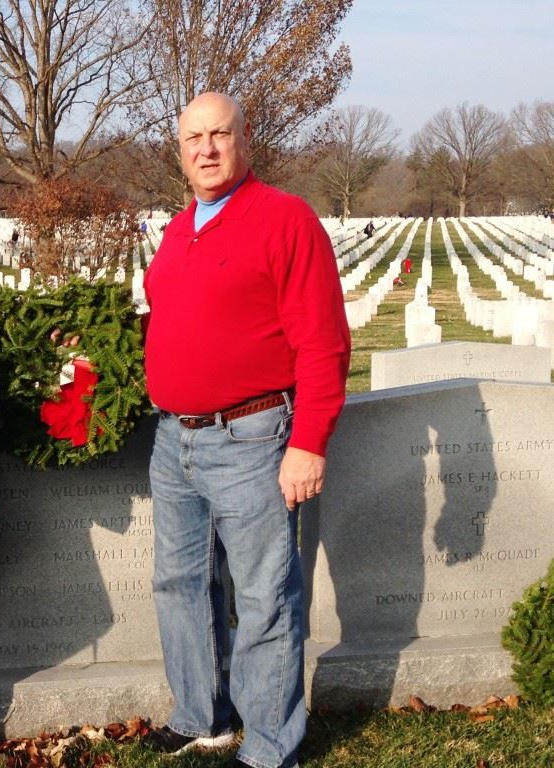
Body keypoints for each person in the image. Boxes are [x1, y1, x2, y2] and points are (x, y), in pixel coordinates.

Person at [142, 93, 351, 768]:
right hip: (175, 440)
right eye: (192, 138)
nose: (205, 149)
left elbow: (323, 342)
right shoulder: (179, 231)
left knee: (263, 598)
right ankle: (202, 716)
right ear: (180, 151)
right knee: (180, 582)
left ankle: (267, 747)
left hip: (252, 436)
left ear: (245, 139)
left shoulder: (284, 220)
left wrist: (309, 441)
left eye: (219, 135)